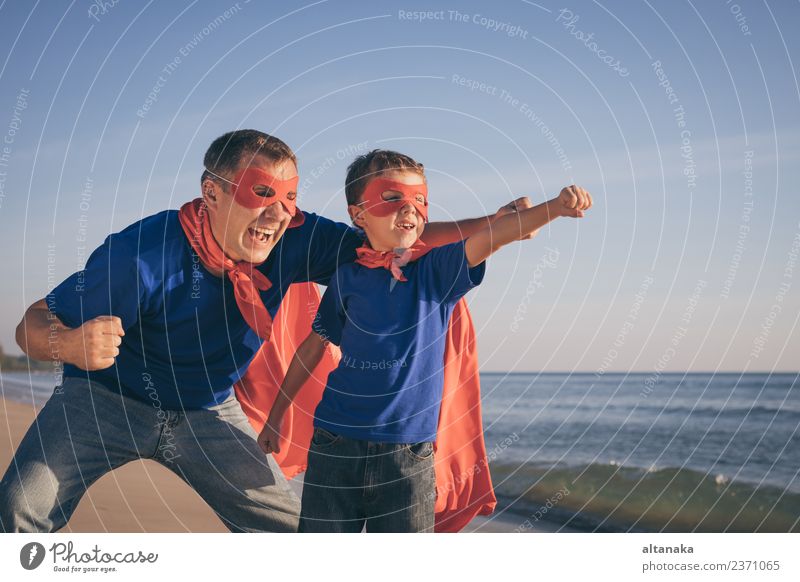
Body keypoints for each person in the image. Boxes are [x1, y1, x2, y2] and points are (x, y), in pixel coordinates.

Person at [0, 131, 516, 533]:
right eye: (261, 193)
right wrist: (65, 343)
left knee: (294, 538)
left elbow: (394, 241)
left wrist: (488, 225)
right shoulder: (141, 253)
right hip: (105, 401)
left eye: (289, 196)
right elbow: (31, 325)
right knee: (19, 510)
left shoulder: (296, 234)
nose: (277, 212)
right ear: (212, 193)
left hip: (208, 413)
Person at [258, 149, 592, 532]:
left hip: (409, 454)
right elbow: (314, 345)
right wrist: (277, 415)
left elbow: (493, 238)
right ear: (358, 214)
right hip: (335, 442)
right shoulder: (347, 276)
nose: (410, 209)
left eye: (420, 200)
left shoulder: (437, 269)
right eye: (392, 198)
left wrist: (555, 207)